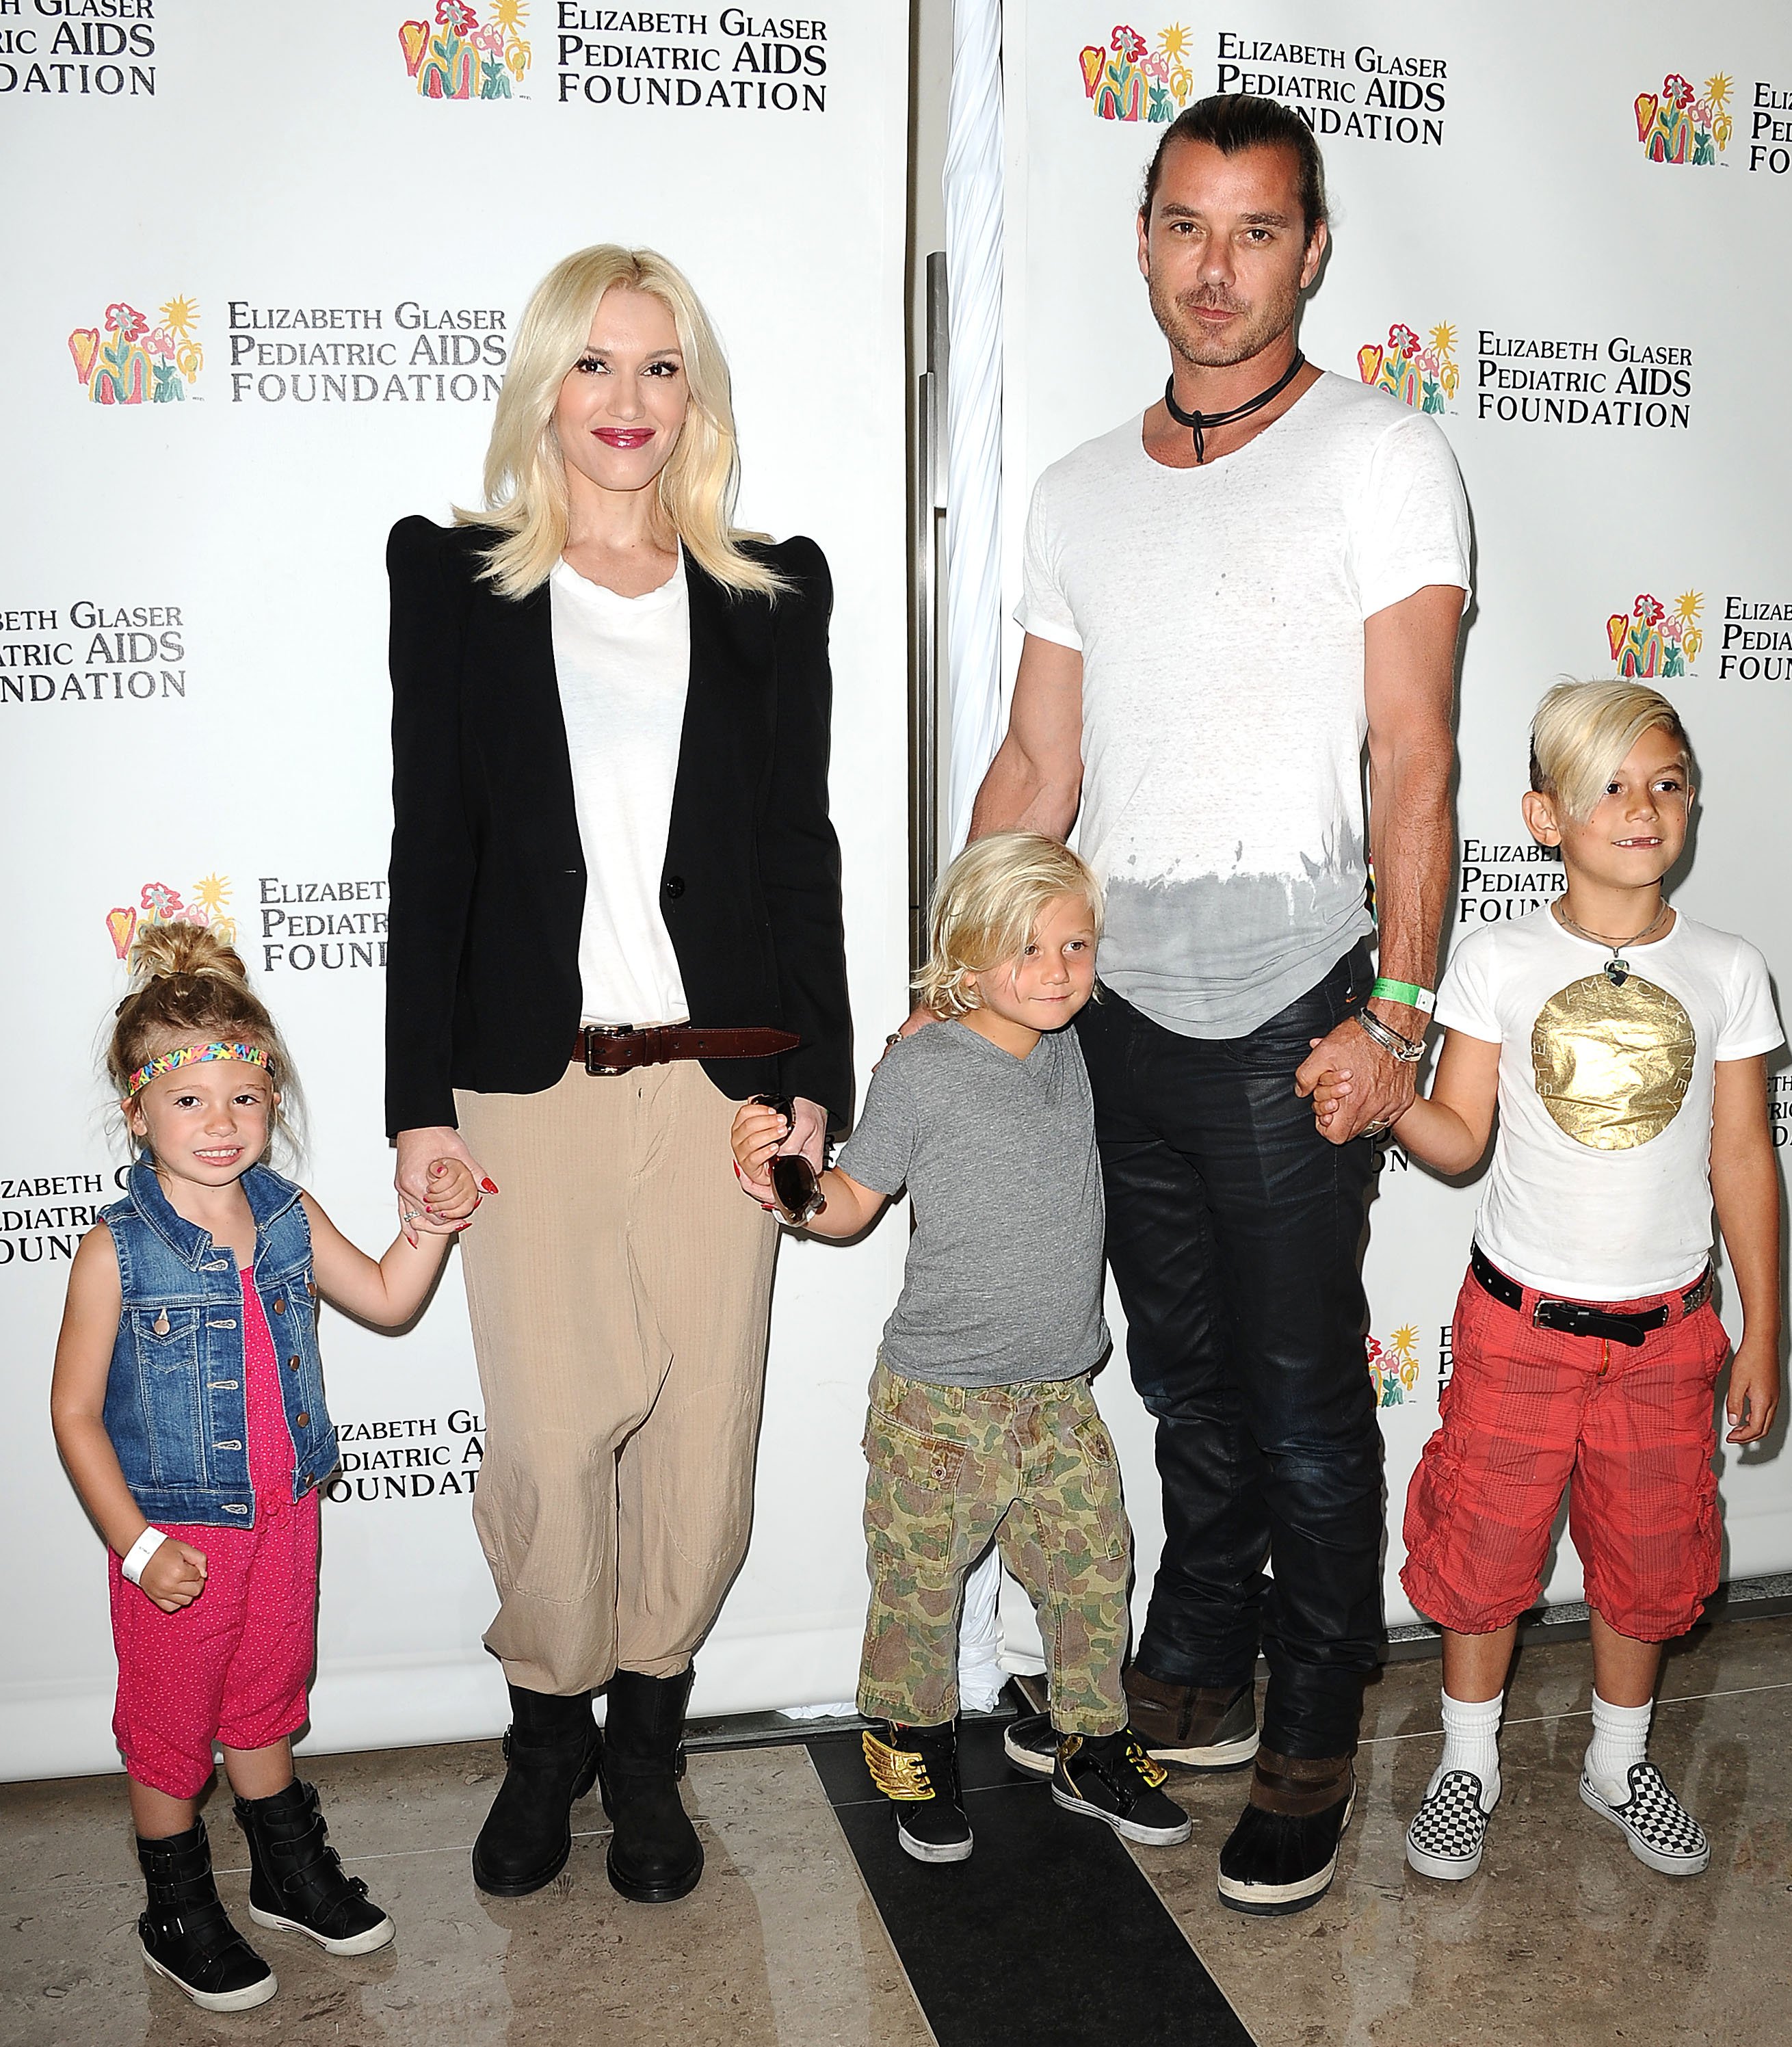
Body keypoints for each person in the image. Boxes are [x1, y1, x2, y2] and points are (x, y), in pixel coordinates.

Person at [962, 94, 1471, 1914]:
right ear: (1140, 233)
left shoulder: (1378, 453)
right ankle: (1189, 1660)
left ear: (1311, 249)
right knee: (1179, 1375)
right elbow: (1038, 756)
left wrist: (1395, 1013)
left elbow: (1412, 756)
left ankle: (1317, 1709)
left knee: (1293, 1387)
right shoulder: (1076, 490)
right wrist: (959, 991)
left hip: (1289, 1004)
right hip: (1113, 1001)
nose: (1215, 266)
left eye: (1257, 231)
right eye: (1185, 224)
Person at [384, 244, 852, 1906]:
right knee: (553, 1433)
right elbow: (427, 851)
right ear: (543, 389)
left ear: (695, 396)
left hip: (725, 1080)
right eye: (595, 366)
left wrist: (818, 1084)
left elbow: (802, 855)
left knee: (704, 1429)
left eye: (661, 369)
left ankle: (647, 1748)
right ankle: (544, 1736)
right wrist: (415, 1103)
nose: (629, 402)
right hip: (527, 1081)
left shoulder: (768, 594)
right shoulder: (455, 581)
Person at [1311, 681, 1782, 1883]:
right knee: (1482, 1546)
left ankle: (1618, 1762)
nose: (1641, 808)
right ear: (1542, 816)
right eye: (1608, 787)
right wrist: (1390, 1101)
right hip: (1517, 1326)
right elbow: (1460, 1139)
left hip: (1668, 1335)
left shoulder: (1727, 968)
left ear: (1691, 805)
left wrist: (1765, 1329)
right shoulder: (1497, 960)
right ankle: (1467, 1760)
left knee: (1649, 1554)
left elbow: (1741, 1158)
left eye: (1664, 783)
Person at [733, 833, 1191, 1862]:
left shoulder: (1077, 1044)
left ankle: (1090, 1743)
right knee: (918, 1591)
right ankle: (911, 1746)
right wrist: (793, 1188)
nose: (1057, 972)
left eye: (1075, 946)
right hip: (937, 1406)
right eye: (1027, 951)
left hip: (1059, 1396)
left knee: (1090, 1573)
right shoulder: (925, 1068)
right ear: (965, 954)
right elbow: (852, 1205)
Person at [49, 923, 477, 2012]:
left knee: (265, 1698)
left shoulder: (286, 1215)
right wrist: (138, 1548)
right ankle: (177, 1906)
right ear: (137, 1110)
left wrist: (429, 1221)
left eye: (243, 1097)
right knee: (168, 1724)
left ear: (272, 1101)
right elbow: (74, 1412)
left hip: (285, 1517)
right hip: (179, 1538)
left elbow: (386, 1297)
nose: (221, 1123)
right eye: (188, 1100)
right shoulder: (118, 1249)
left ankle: (285, 1871)